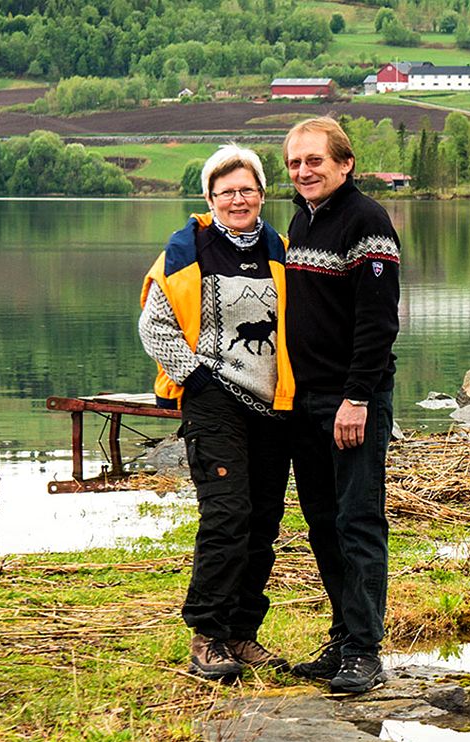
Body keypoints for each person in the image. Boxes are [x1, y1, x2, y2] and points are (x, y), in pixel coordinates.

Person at [139, 143, 296, 683]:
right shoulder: (189, 251)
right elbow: (154, 326)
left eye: (247, 189)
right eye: (226, 191)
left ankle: (241, 634)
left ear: (262, 194)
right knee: (227, 515)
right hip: (214, 400)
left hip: (274, 405)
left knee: (263, 522)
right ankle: (207, 635)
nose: (238, 199)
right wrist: (196, 376)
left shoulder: (282, 248)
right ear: (209, 198)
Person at [282, 117, 402, 695]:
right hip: (304, 400)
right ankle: (341, 637)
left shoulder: (366, 221)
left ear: (345, 163)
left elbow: (378, 322)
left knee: (357, 521)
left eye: (315, 160)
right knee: (323, 524)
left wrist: (357, 398)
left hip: (351, 399)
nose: (304, 171)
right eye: (295, 162)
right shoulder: (302, 220)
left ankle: (364, 650)